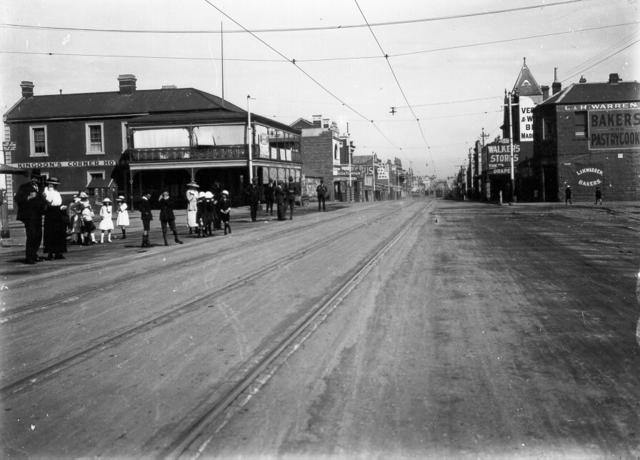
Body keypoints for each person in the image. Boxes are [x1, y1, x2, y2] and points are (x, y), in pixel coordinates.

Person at [15, 169, 45, 264]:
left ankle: (34, 254)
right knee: (31, 235)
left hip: (38, 215)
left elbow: (41, 202)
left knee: (38, 236)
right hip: (29, 216)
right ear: (31, 178)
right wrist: (28, 197)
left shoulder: (40, 188)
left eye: (37, 178)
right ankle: (29, 257)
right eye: (33, 178)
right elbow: (17, 198)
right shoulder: (24, 187)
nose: (35, 180)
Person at [42, 177, 67, 260]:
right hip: (51, 213)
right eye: (54, 185)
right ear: (50, 184)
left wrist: (61, 207)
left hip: (57, 211)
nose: (55, 186)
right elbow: (49, 202)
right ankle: (50, 253)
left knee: (59, 233)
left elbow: (58, 202)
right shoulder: (47, 192)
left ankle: (58, 252)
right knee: (51, 233)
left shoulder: (56, 192)